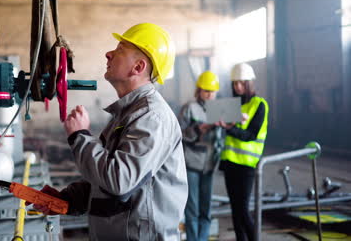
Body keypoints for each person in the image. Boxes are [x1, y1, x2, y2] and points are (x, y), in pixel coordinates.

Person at [29, 23, 188, 240]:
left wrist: (80, 137)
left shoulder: (152, 117)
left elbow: (119, 181)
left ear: (138, 67)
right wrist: (67, 199)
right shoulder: (129, 114)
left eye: (120, 49)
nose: (108, 54)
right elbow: (104, 181)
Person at [216, 63, 269, 241]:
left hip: (246, 165)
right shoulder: (232, 105)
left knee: (242, 209)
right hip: (230, 163)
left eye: (241, 83)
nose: (237, 86)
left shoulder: (259, 105)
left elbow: (251, 135)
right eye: (234, 83)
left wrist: (229, 128)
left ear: (249, 83)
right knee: (235, 210)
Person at [178, 71, 224, 241]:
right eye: (206, 91)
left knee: (206, 210)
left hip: (210, 165)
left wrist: (231, 124)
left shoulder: (220, 109)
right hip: (192, 163)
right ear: (199, 90)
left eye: (212, 92)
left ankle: (202, 239)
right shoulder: (189, 108)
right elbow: (179, 134)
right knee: (193, 209)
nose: (209, 95)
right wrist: (199, 129)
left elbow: (221, 137)